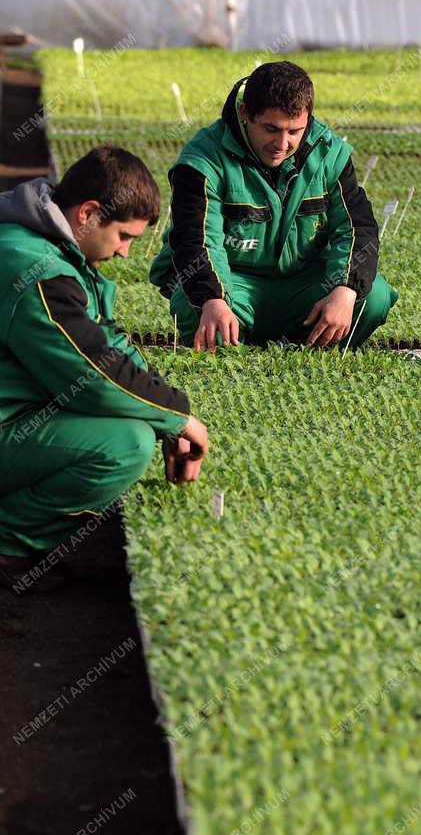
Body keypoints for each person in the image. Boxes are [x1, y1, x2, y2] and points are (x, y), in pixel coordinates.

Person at [0, 148, 208, 593]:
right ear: (89, 213)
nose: (126, 252)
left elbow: (107, 344)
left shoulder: (50, 246)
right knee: (125, 445)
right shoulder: (34, 269)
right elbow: (91, 374)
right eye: (124, 236)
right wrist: (177, 418)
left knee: (136, 419)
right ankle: (9, 544)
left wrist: (168, 407)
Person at [149, 60, 397, 350]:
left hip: (303, 284)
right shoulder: (203, 159)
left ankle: (303, 346)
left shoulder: (330, 153)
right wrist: (212, 298)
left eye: (295, 131)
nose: (282, 143)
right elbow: (196, 239)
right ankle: (236, 333)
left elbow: (358, 228)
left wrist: (345, 289)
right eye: (271, 129)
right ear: (245, 114)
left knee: (372, 297)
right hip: (234, 284)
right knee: (198, 309)